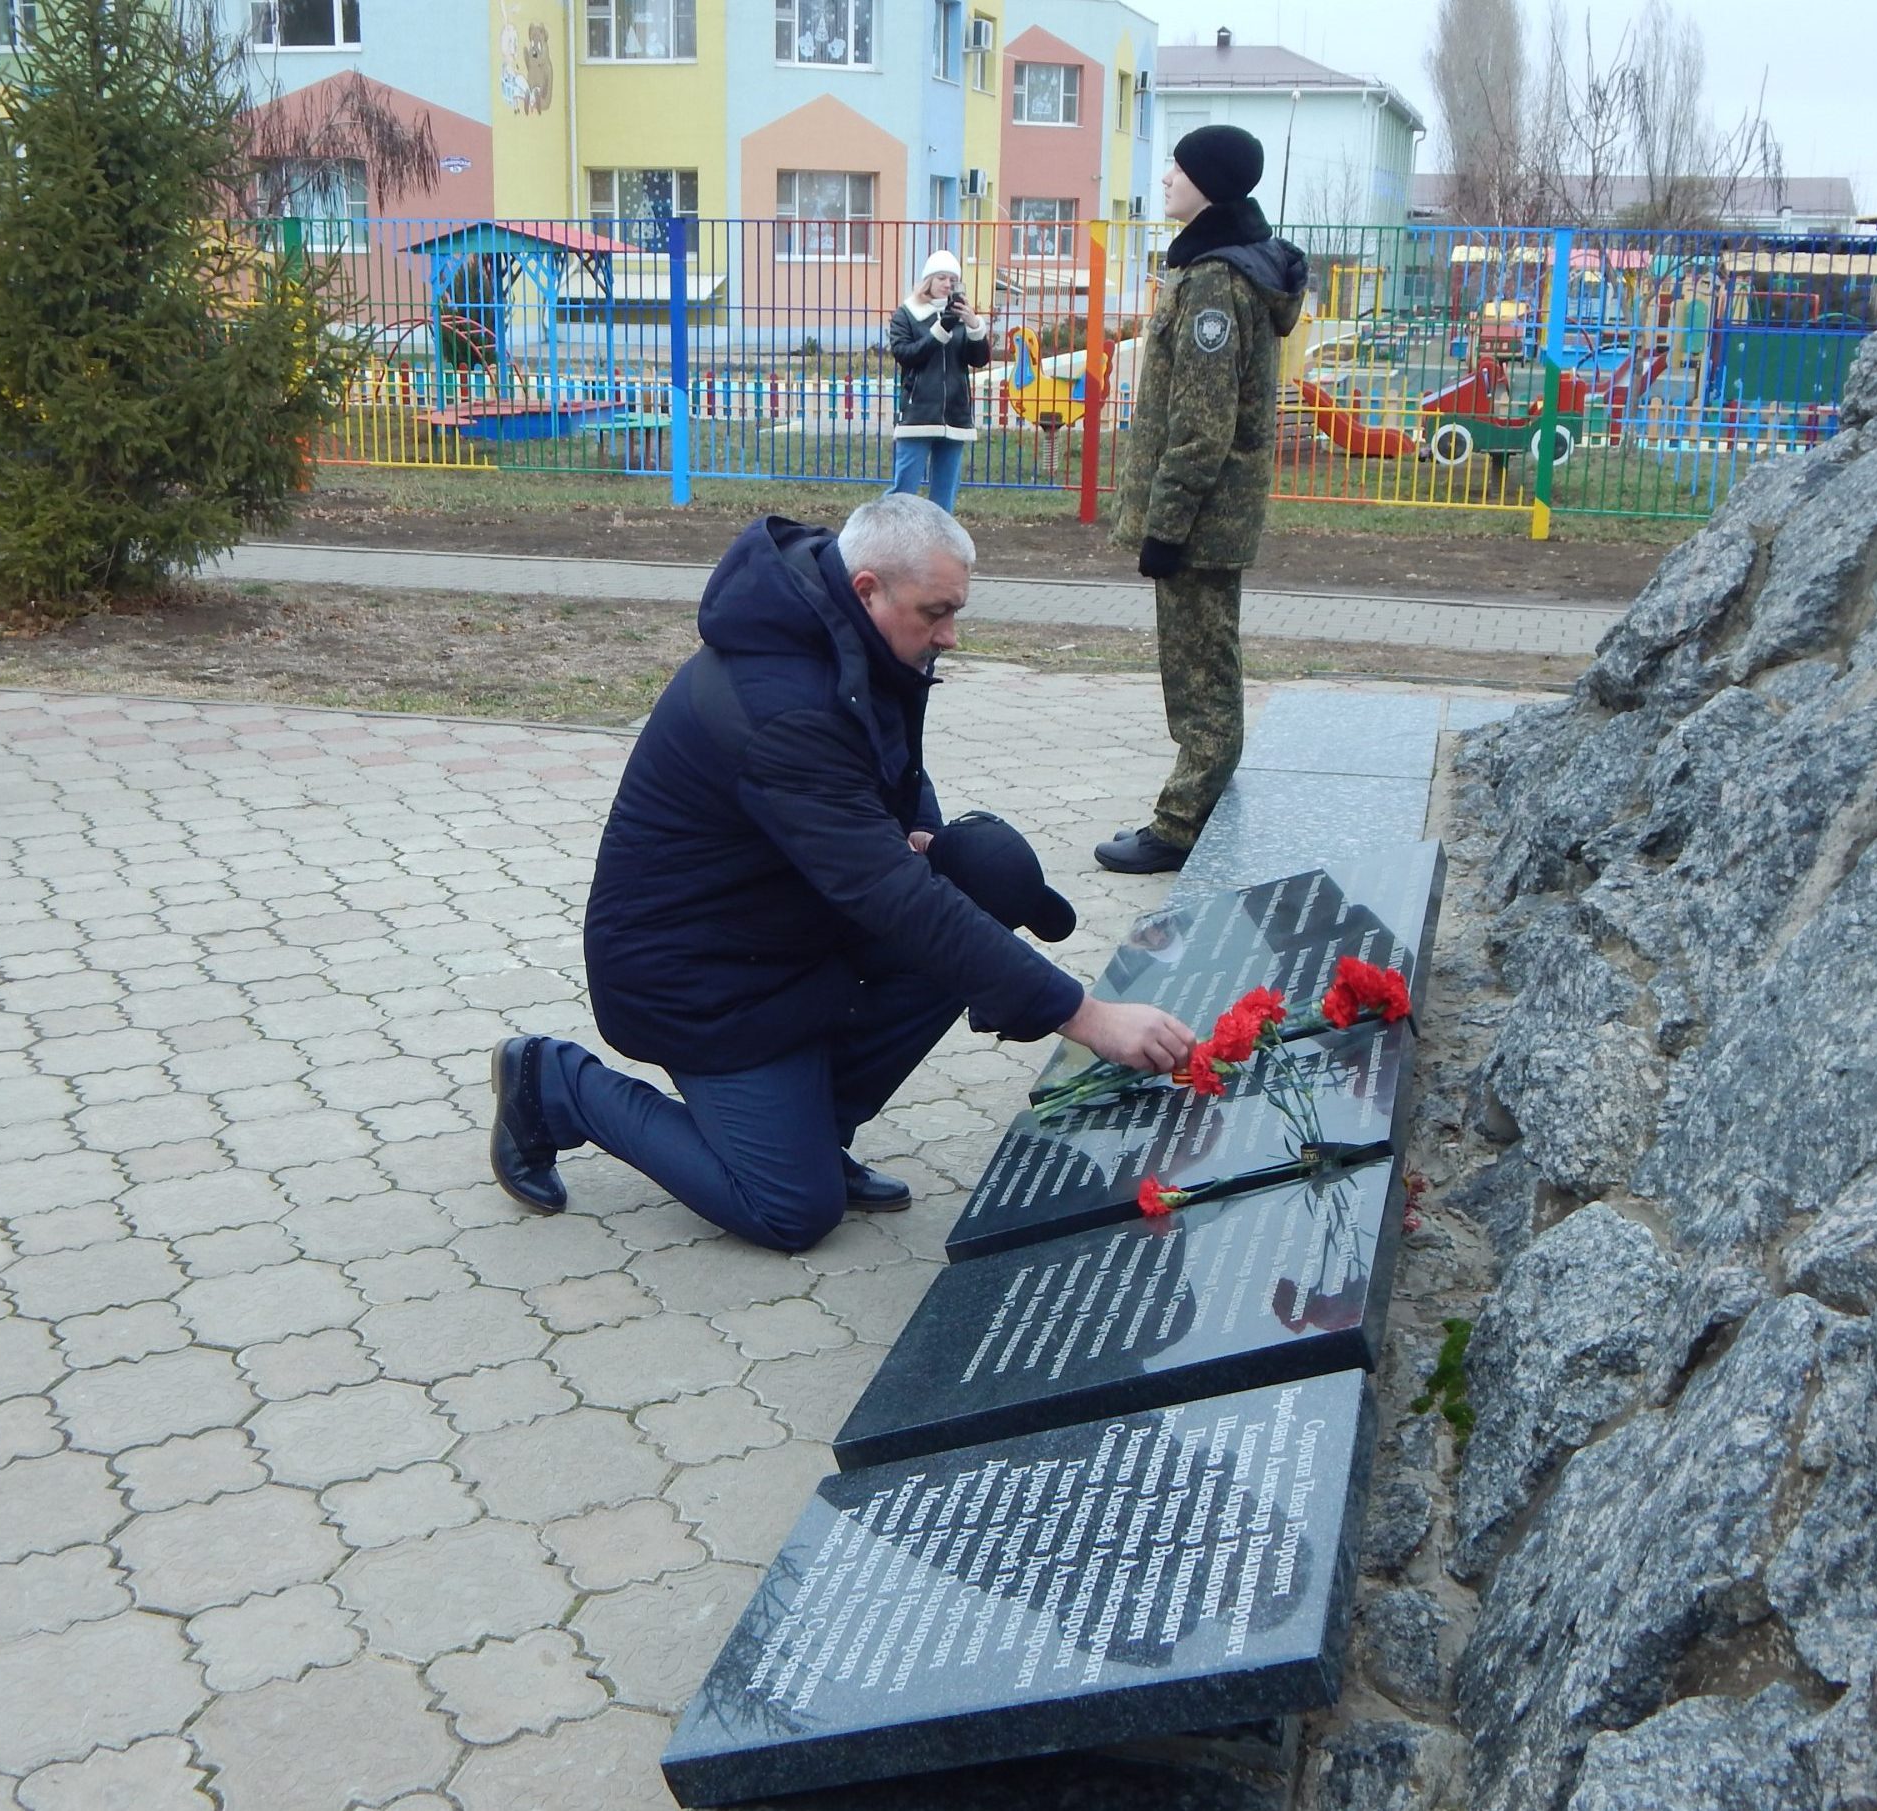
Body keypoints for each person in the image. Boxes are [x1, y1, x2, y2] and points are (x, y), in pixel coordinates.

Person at [487, 493, 1195, 1253]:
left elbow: (892, 768)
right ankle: (555, 1083)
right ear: (869, 589)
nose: (950, 636)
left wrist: (917, 829)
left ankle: (811, 1130)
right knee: (790, 1210)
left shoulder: (844, 626)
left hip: (782, 935)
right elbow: (892, 897)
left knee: (979, 875)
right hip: (696, 976)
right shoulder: (782, 706)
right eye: (936, 612)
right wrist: (1086, 1018)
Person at [1096, 125, 1305, 875]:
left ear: (1209, 182)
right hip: (1208, 515)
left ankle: (1181, 824)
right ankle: (1202, 801)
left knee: (1199, 670)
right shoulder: (1212, 265)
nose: (1166, 179)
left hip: (1203, 518)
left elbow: (1202, 422)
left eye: (1178, 169)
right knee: (1204, 659)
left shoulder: (1217, 279)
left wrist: (1168, 522)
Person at [886, 249, 990, 514]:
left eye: (953, 280)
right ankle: (884, 539)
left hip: (954, 416)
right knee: (903, 492)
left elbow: (978, 360)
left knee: (944, 498)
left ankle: (938, 551)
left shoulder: (959, 316)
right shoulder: (907, 314)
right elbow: (906, 355)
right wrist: (940, 329)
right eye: (942, 278)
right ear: (928, 281)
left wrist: (974, 326)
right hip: (918, 414)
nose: (947, 284)